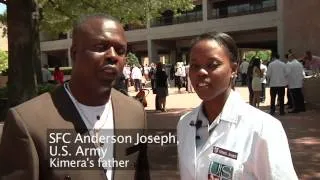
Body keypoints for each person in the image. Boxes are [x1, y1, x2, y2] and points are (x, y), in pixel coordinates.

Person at [0, 14, 150, 180]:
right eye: (101, 47)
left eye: (120, 51)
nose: (113, 56)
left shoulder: (135, 112)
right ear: (74, 53)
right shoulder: (28, 122)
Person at [177, 32, 298, 180]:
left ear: (233, 69)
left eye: (212, 65)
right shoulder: (184, 124)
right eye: (195, 66)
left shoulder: (264, 129)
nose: (201, 72)